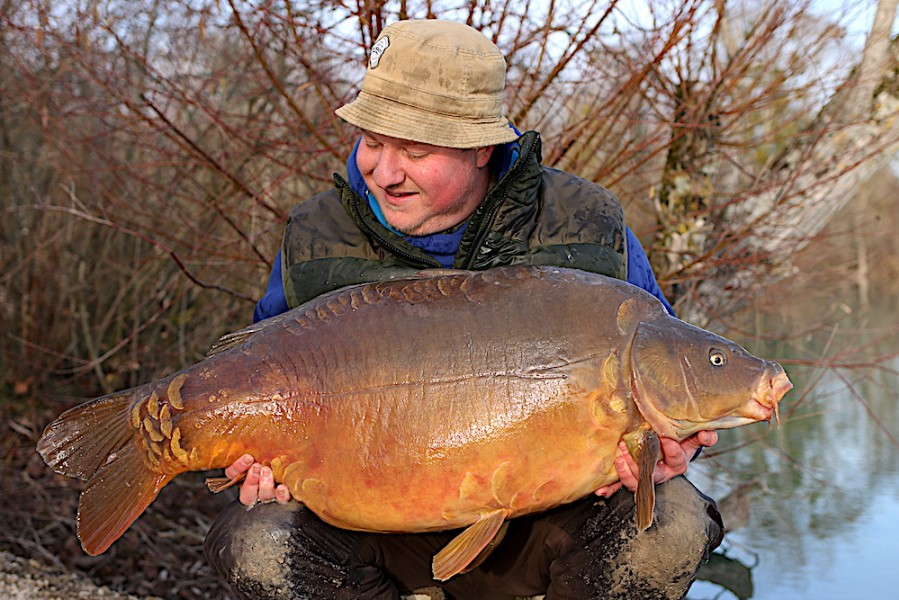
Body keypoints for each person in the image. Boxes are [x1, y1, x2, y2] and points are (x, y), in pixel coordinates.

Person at [204, 19, 722, 600]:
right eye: (372, 142)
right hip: (372, 512)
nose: (384, 171)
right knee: (258, 541)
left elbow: (670, 368)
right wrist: (257, 458)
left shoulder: (586, 223)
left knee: (669, 522)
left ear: (482, 148)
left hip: (545, 520)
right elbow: (256, 378)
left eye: (415, 150)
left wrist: (675, 447)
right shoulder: (316, 234)